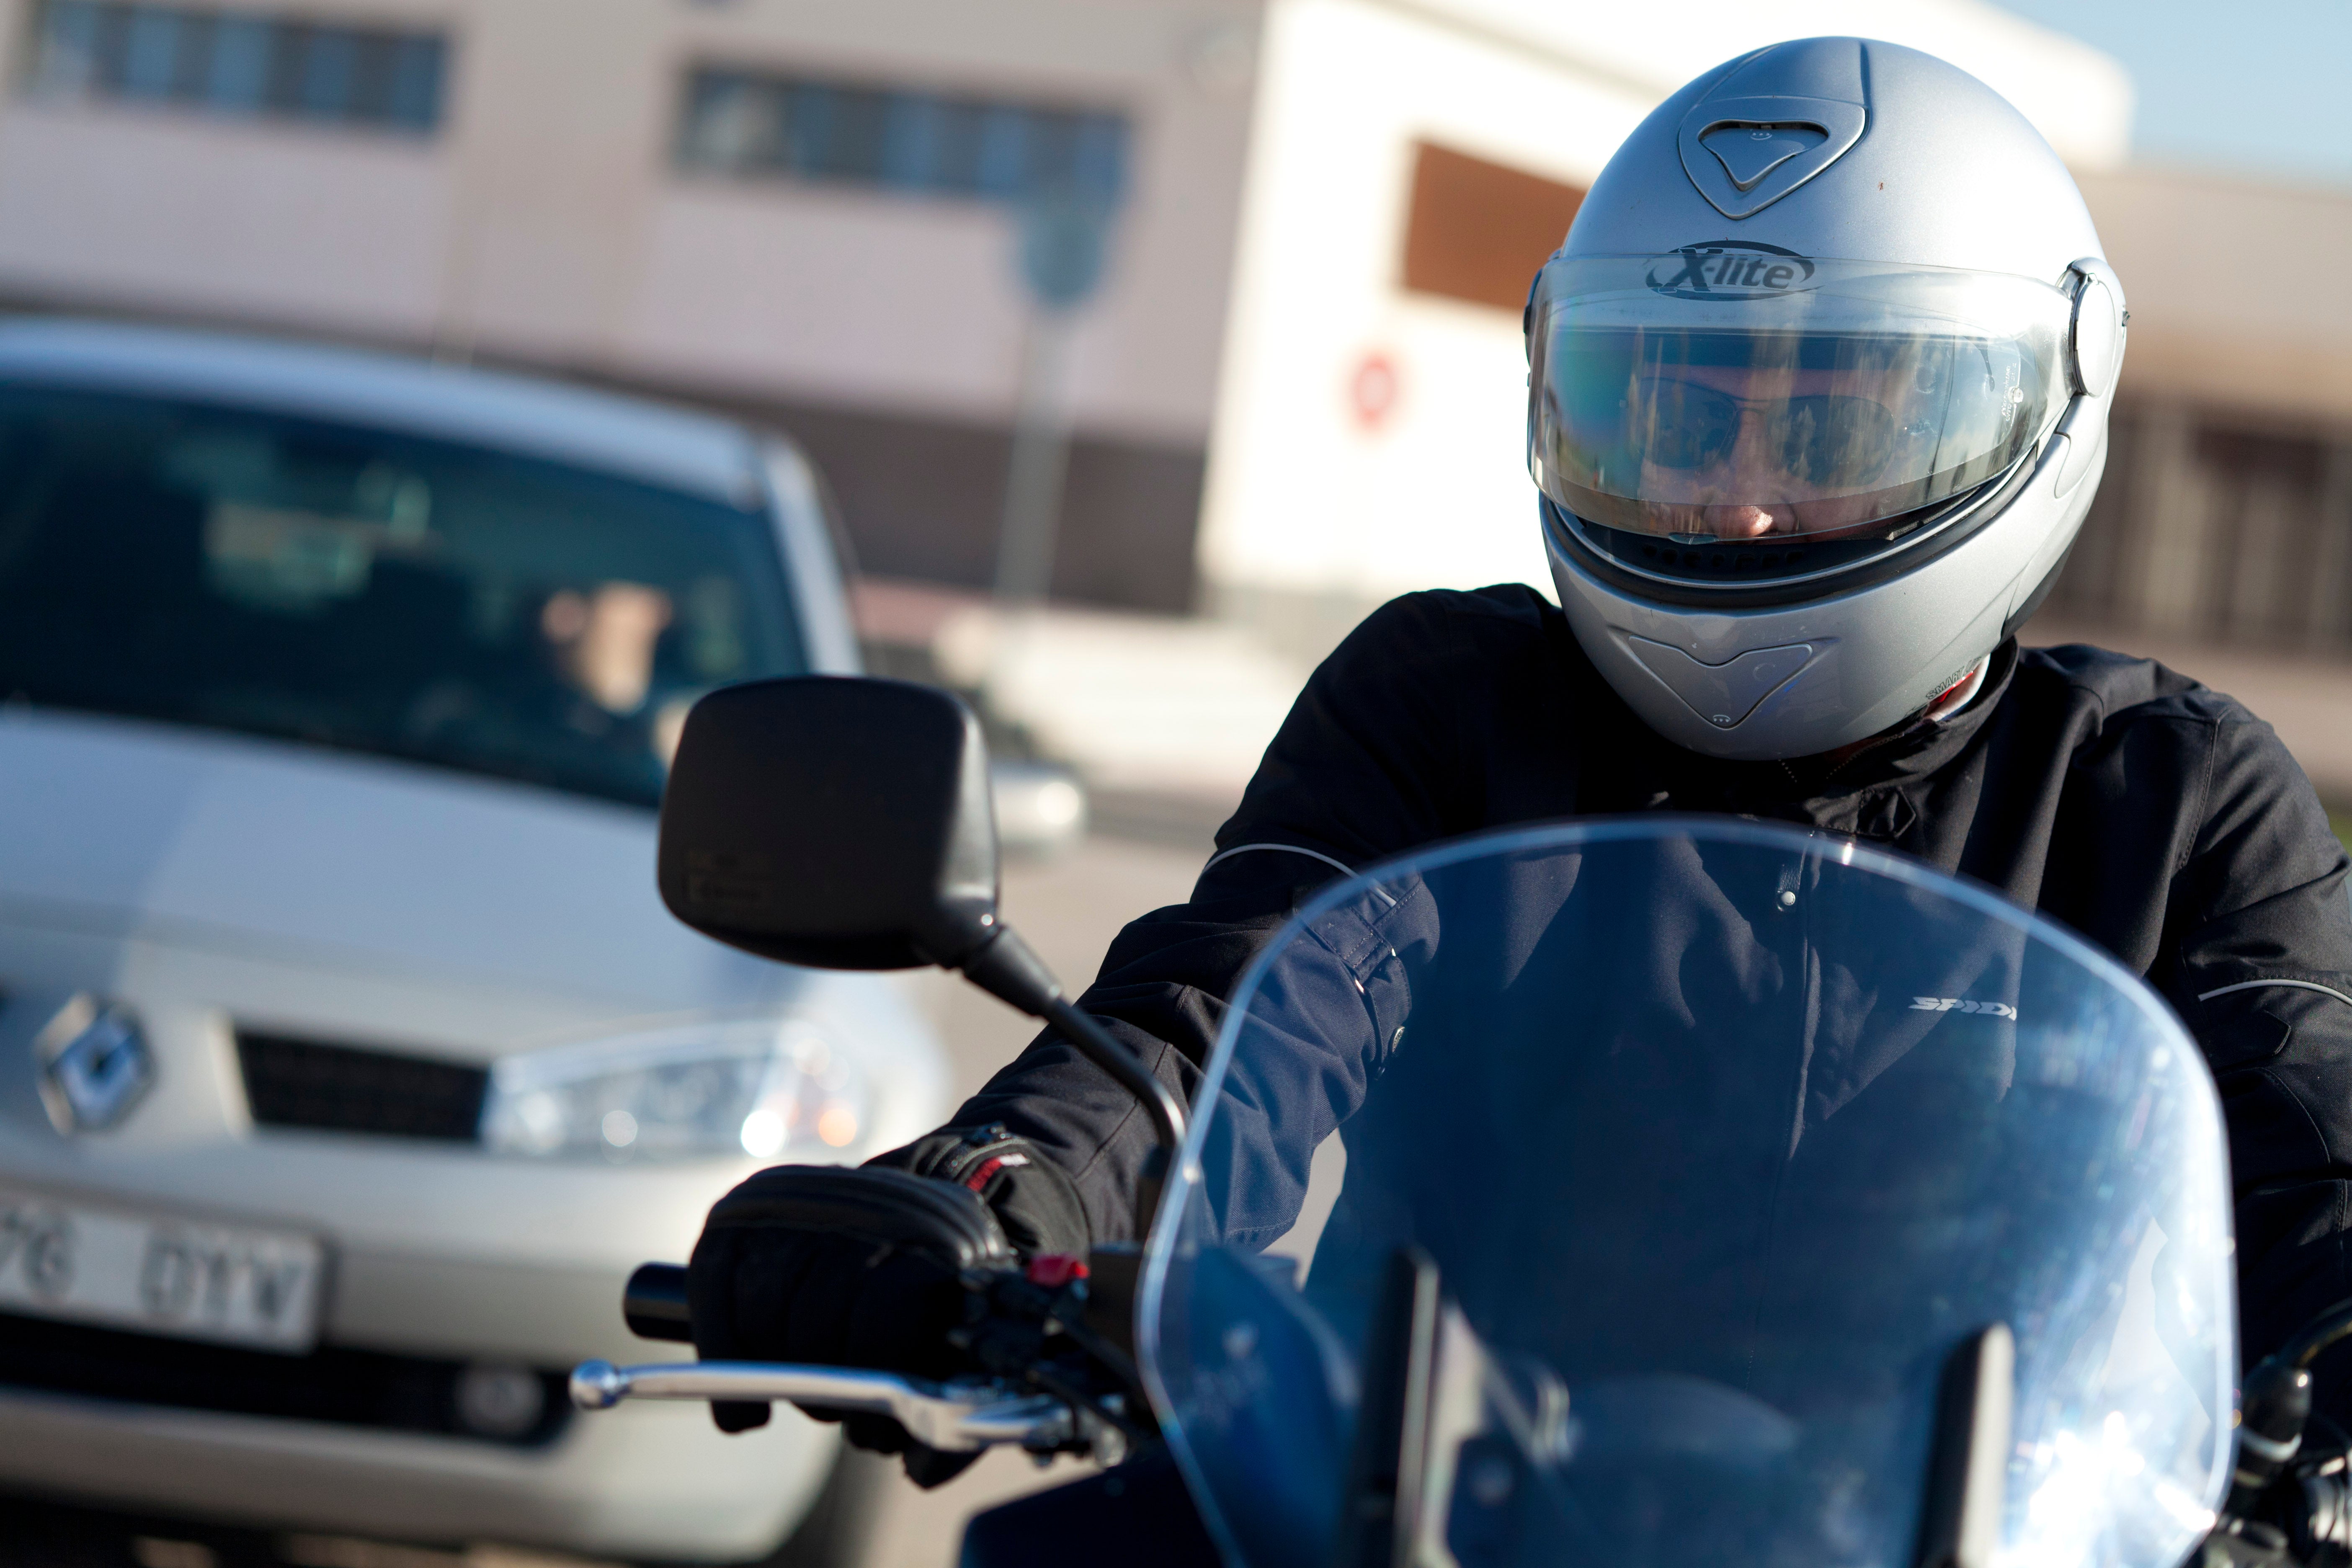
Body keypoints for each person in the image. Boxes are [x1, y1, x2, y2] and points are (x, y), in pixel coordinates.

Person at [687, 36, 2352, 1473]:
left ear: (2042, 404)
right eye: (1682, 417)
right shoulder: (1450, 706)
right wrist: (1004, 1189)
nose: (1744, 498)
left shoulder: (2171, 800)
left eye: (1835, 426)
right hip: (1415, 1512)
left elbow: (2313, 1143)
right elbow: (1224, 1024)